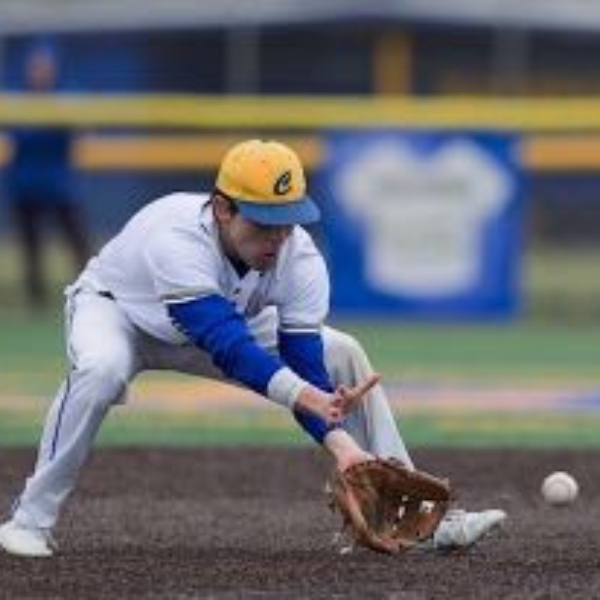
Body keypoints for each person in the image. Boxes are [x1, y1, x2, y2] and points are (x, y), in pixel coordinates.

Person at [0, 139, 506, 558]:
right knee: (101, 371)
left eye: (287, 220)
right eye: (263, 222)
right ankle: (30, 520)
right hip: (120, 313)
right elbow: (227, 345)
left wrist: (343, 446)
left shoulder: (299, 258)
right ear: (223, 209)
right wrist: (308, 399)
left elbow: (305, 364)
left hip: (221, 324)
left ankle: (419, 517)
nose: (277, 237)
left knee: (341, 351)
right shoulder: (175, 236)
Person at [5, 45, 90, 307]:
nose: (40, 73)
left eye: (45, 68)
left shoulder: (65, 100)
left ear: (54, 71)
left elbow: (82, 131)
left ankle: (92, 290)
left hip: (59, 184)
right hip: (26, 184)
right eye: (35, 68)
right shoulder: (18, 102)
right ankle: (36, 297)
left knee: (77, 241)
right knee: (31, 245)